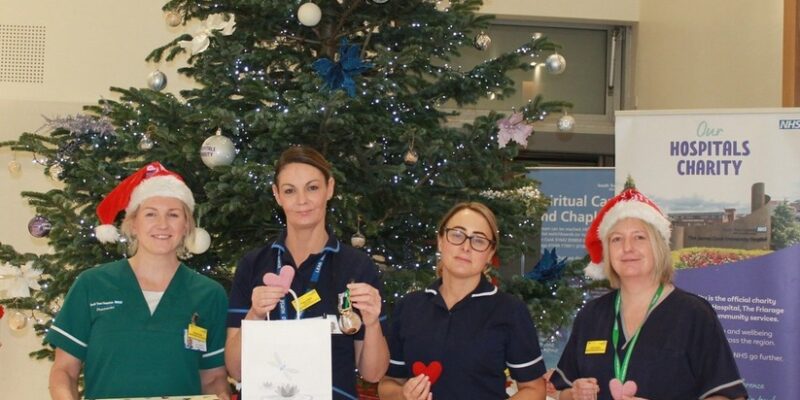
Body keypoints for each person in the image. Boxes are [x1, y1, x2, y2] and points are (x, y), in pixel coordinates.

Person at [47, 162, 230, 400]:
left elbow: (213, 378)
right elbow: (64, 371)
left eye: (173, 215)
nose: (162, 225)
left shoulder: (209, 295)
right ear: (133, 223)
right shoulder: (92, 285)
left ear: (186, 225)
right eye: (151, 214)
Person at [549, 188, 747, 400]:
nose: (627, 248)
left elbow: (725, 395)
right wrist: (573, 393)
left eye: (639, 237)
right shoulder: (592, 315)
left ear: (658, 247)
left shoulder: (694, 314)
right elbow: (559, 391)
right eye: (616, 239)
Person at [225, 145, 389, 400]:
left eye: (312, 188)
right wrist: (255, 314)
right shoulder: (254, 264)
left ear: (330, 188)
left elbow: (373, 374)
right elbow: (236, 369)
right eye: (290, 190)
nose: (302, 200)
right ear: (277, 195)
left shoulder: (357, 267)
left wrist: (372, 322)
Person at [378, 202, 548, 400]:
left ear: (490, 253)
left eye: (479, 240)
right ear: (441, 240)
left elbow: (535, 389)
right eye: (457, 235)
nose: (466, 247)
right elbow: (387, 384)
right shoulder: (410, 307)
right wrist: (402, 395)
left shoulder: (509, 310)